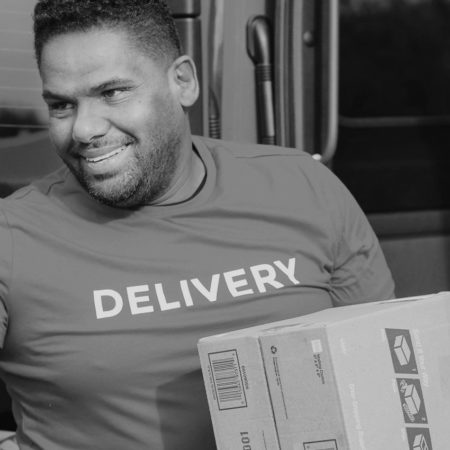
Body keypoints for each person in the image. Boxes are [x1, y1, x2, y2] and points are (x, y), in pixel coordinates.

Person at [0, 0, 395, 448]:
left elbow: (385, 373)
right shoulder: (13, 237)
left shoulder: (303, 186)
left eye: (112, 93)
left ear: (183, 82)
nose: (84, 129)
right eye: (61, 105)